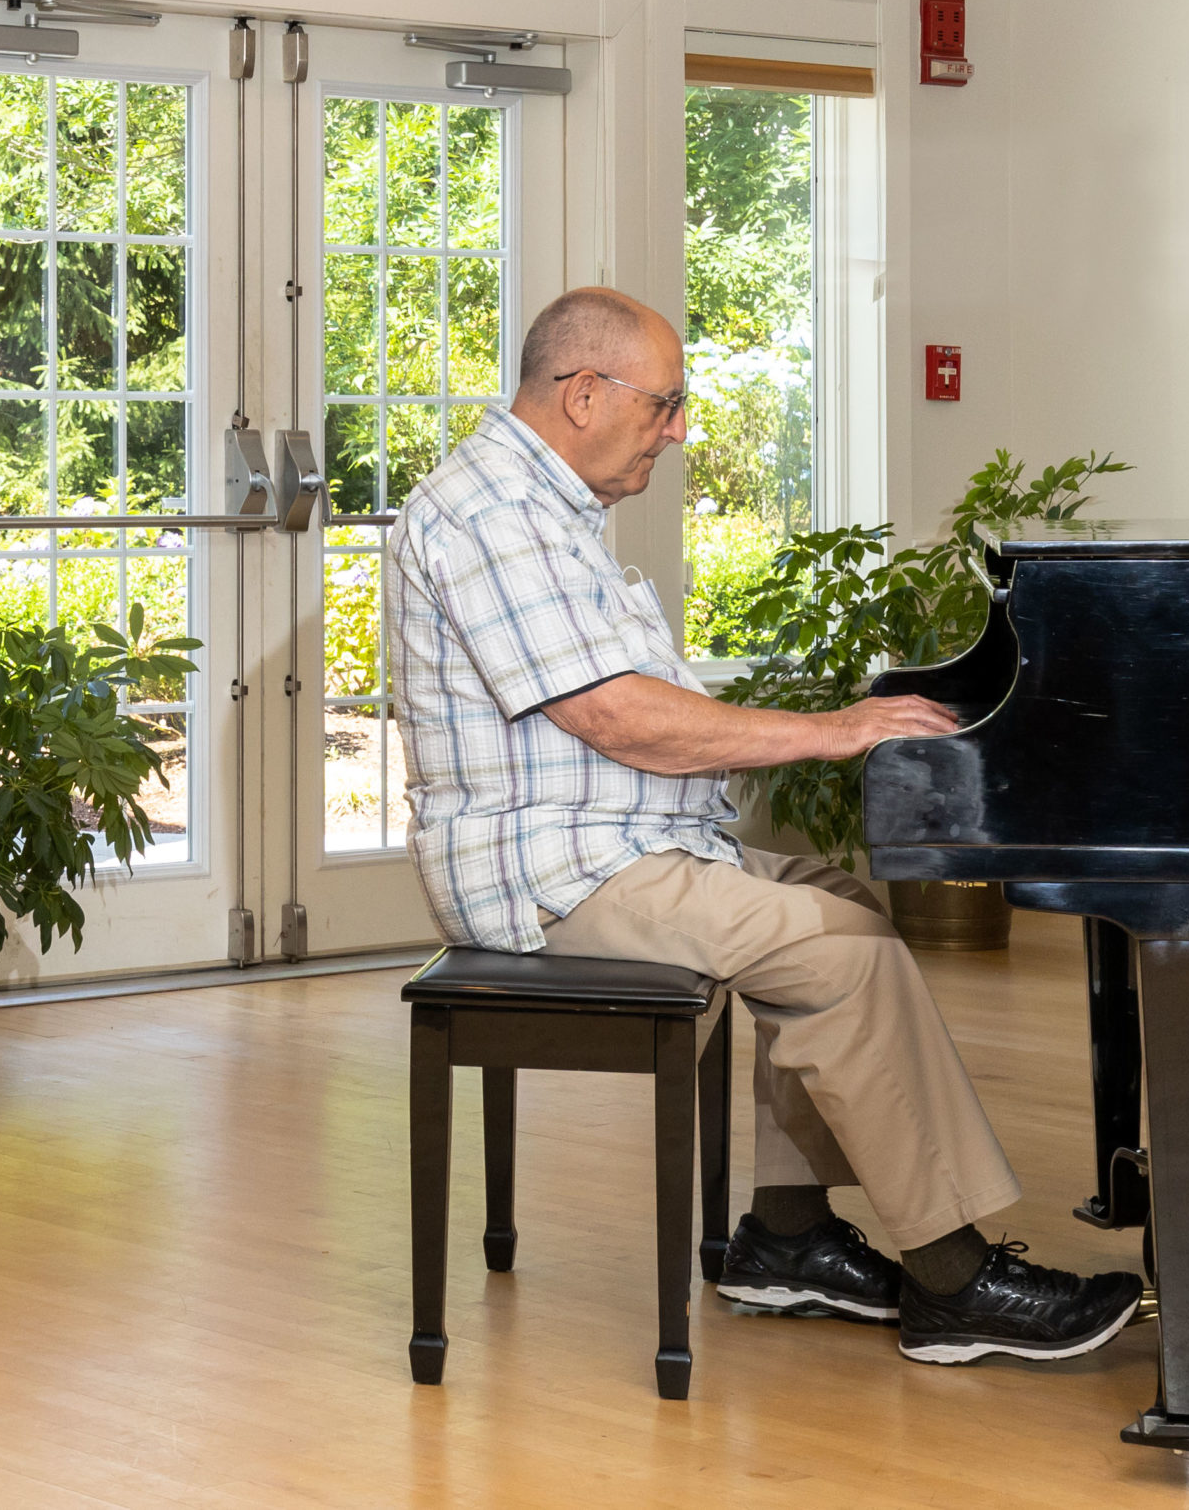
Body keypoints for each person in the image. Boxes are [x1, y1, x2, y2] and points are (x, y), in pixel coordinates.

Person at [389, 287, 1142, 1367]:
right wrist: (832, 731)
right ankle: (952, 1278)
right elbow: (615, 716)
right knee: (840, 953)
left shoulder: (544, 512)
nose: (679, 426)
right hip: (554, 875)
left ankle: (785, 1237)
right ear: (584, 393)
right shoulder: (488, 514)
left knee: (838, 900)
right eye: (666, 402)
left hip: (620, 851)